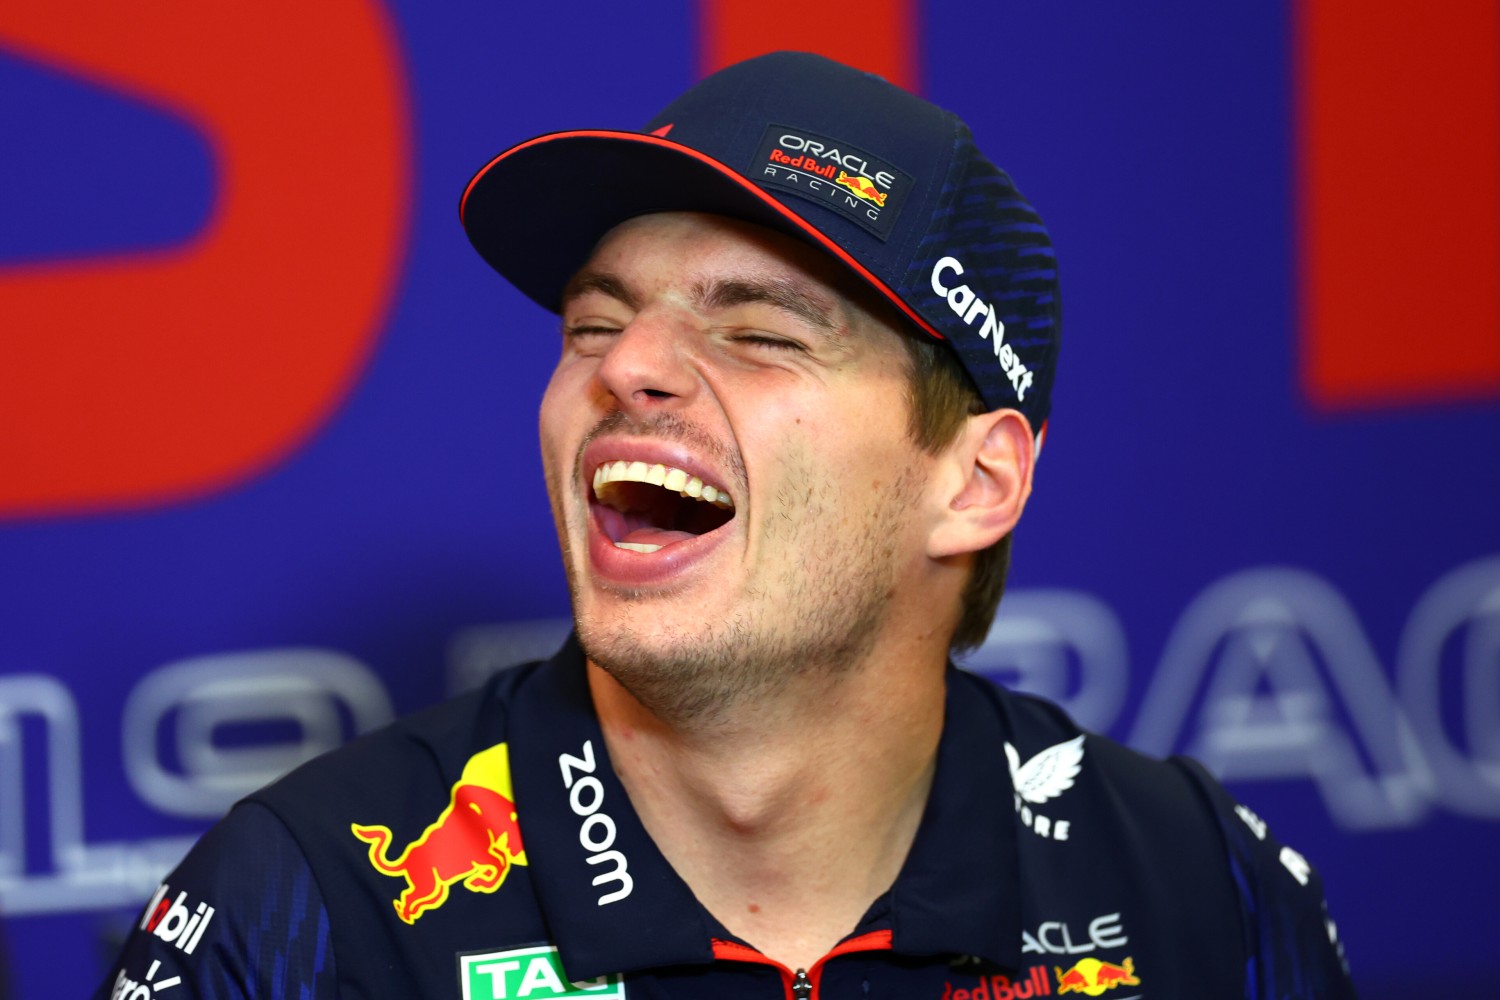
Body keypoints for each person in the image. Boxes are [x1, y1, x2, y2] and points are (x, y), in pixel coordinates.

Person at [96, 52, 1356, 1000]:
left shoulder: (1187, 887)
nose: (629, 365)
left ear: (975, 482)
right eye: (596, 322)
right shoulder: (314, 907)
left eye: (758, 334)